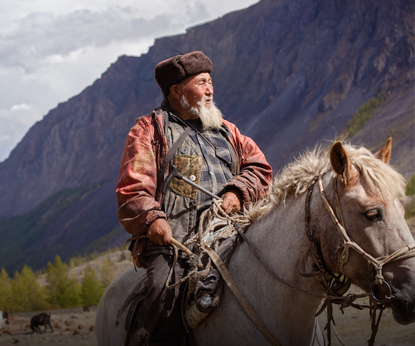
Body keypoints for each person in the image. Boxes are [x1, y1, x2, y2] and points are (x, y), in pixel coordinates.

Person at [116, 51, 272, 346]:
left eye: (210, 82)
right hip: (174, 244)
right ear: (176, 91)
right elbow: (132, 190)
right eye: (201, 82)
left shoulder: (229, 132)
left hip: (231, 233)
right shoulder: (149, 131)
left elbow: (260, 169)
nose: (210, 89)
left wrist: (237, 192)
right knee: (166, 297)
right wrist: (152, 220)